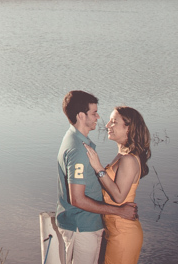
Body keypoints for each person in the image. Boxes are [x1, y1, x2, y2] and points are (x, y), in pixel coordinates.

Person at [56, 90, 138, 264]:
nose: (98, 117)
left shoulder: (75, 139)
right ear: (81, 116)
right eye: (93, 113)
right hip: (82, 227)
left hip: (85, 225)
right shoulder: (78, 150)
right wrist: (119, 211)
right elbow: (77, 199)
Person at [84, 106, 151, 264]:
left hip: (124, 234)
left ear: (128, 128)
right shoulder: (122, 155)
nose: (107, 125)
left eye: (114, 122)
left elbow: (119, 196)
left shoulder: (128, 159)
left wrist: (98, 167)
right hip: (114, 230)